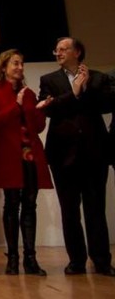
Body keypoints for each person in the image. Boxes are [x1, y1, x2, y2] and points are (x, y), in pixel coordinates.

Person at [38, 37, 115, 276]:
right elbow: (48, 109)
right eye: (56, 49)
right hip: (62, 154)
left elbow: (107, 105)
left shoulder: (99, 77)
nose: (58, 53)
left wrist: (87, 87)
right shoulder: (49, 80)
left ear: (77, 51)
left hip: (94, 153)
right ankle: (76, 261)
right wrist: (73, 93)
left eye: (63, 49)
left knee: (95, 209)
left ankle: (101, 260)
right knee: (69, 211)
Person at [0, 49, 52, 276]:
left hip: (30, 155)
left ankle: (30, 258)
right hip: (8, 156)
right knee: (12, 204)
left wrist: (39, 110)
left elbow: (38, 127)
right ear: (4, 67)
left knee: (30, 205)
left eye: (21, 63)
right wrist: (17, 105)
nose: (20, 67)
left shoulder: (29, 93)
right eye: (15, 63)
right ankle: (12, 257)